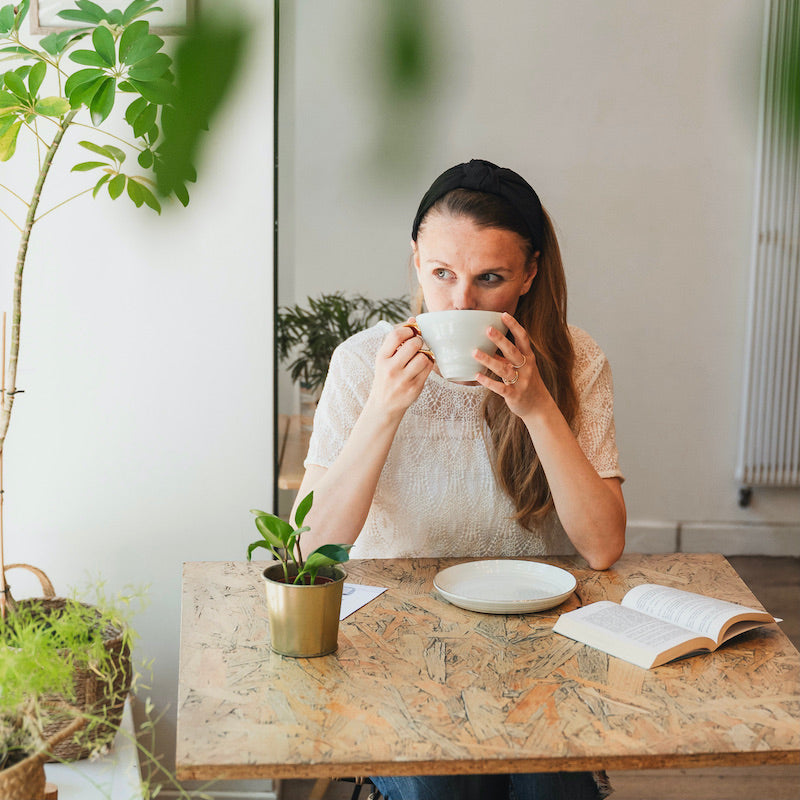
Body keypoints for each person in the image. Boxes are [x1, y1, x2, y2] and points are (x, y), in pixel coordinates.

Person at [293, 159, 625, 800]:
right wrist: (385, 407)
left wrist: (536, 408)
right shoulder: (364, 362)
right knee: (446, 789)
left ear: (529, 275)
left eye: (490, 278)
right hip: (398, 649)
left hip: (538, 645)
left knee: (552, 792)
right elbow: (310, 550)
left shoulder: (576, 361)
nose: (461, 303)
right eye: (442, 274)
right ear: (416, 260)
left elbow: (603, 546)